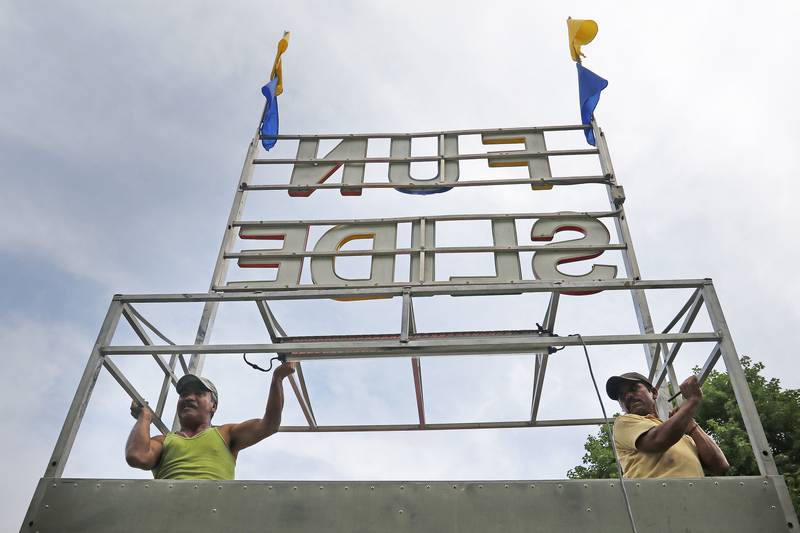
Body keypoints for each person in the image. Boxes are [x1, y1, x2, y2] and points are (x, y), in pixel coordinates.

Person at [125, 362, 296, 480]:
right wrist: (145, 417)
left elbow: (269, 425)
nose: (189, 398)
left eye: (199, 393)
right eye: (184, 394)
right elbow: (137, 456)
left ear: (213, 406)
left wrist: (277, 379)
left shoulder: (225, 433)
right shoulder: (163, 440)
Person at [606, 371, 729, 478]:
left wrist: (690, 425)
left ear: (653, 393)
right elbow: (657, 440)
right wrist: (692, 401)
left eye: (634, 388)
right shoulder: (623, 423)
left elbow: (720, 466)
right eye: (621, 396)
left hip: (694, 500)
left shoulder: (681, 436)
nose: (628, 396)